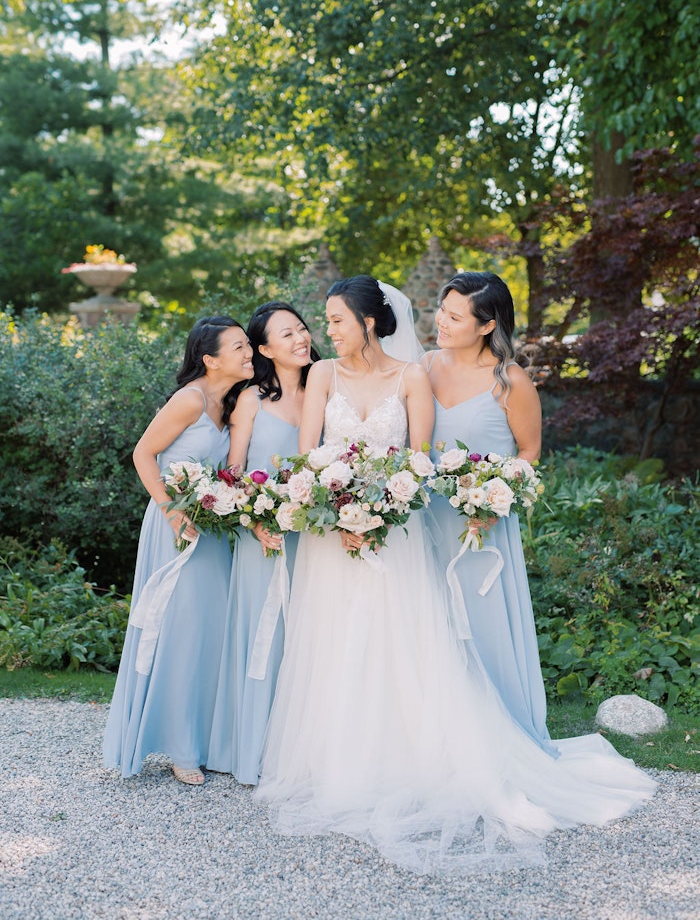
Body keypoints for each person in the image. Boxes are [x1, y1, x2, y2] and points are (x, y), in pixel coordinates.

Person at [255, 276, 655, 875]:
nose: (323, 332)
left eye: (335, 319)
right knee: (333, 644)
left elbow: (425, 462)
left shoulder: (453, 378)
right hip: (334, 536)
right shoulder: (359, 372)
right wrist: (331, 507)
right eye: (439, 313)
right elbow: (310, 454)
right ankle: (338, 761)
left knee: (411, 641)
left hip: (413, 528)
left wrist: (390, 510)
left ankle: (422, 755)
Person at [103, 316, 254, 785]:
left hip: (212, 528)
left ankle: (204, 738)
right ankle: (180, 747)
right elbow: (143, 454)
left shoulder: (228, 402)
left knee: (209, 630)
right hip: (175, 528)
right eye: (239, 347)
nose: (249, 352)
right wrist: (173, 513)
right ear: (210, 360)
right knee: (180, 628)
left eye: (248, 344)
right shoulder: (188, 399)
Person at [422, 271, 553, 751]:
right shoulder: (424, 366)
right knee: (427, 619)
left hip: (482, 526)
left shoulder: (510, 380)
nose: (442, 321)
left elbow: (530, 452)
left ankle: (499, 735)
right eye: (442, 310)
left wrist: (493, 502)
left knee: (481, 623)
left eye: (455, 316)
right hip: (425, 520)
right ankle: (438, 738)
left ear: (486, 324)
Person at [208, 302, 318, 784]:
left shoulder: (325, 388)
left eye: (302, 328)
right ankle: (249, 747)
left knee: (310, 635)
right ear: (265, 349)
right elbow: (231, 470)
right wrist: (255, 519)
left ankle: (301, 751)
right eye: (285, 334)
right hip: (263, 534)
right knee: (261, 632)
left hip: (314, 536)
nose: (300, 338)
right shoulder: (251, 398)